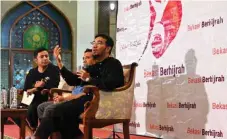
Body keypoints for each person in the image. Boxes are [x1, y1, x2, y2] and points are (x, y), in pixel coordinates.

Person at [32, 34, 124, 139]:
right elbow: (73, 81)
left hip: (99, 101)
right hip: (84, 99)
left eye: (99, 43)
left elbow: (112, 84)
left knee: (54, 110)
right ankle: (76, 136)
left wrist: (89, 79)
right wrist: (59, 62)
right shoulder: (93, 66)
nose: (94, 46)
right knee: (57, 111)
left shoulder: (113, 64)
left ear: (108, 48)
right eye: (94, 43)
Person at [37, 48, 95, 120]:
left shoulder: (94, 76)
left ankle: (46, 130)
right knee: (41, 107)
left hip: (79, 103)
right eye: (83, 58)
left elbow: (83, 95)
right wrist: (59, 61)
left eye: (88, 58)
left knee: (49, 109)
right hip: (71, 99)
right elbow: (70, 78)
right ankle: (51, 130)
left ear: (95, 60)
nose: (84, 60)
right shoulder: (83, 73)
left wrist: (64, 98)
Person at [23, 47, 60, 130]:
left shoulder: (54, 70)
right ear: (36, 60)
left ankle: (37, 130)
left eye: (46, 56)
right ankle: (31, 130)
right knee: (15, 111)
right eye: (42, 57)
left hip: (49, 98)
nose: (45, 58)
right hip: (32, 99)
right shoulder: (32, 72)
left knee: (34, 107)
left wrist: (36, 88)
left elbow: (54, 86)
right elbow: (26, 90)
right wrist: (36, 87)